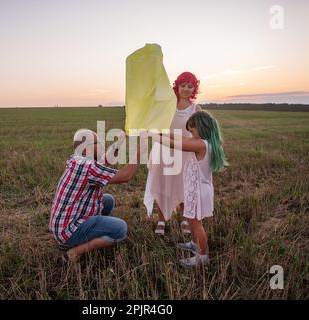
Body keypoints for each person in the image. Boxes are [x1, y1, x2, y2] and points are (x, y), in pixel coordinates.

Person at [49, 129, 143, 262]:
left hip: (62, 224)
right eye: (97, 143)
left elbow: (105, 160)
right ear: (85, 149)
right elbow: (125, 176)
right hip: (68, 232)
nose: (100, 146)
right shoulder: (87, 167)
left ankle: (96, 229)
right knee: (120, 229)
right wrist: (140, 153)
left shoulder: (78, 160)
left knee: (108, 200)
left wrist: (119, 142)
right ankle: (75, 252)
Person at [149, 111, 228, 267]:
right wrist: (163, 132)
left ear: (201, 128)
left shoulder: (201, 145)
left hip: (198, 191)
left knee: (197, 224)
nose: (190, 134)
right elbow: (182, 139)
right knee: (192, 220)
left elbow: (178, 144)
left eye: (192, 131)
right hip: (196, 189)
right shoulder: (204, 142)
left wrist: (152, 136)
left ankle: (202, 256)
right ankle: (194, 243)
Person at [144, 71, 203, 236]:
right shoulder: (168, 105)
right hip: (164, 150)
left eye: (190, 86)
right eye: (182, 85)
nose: (186, 89)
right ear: (176, 87)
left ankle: (185, 219)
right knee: (163, 186)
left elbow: (200, 134)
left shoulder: (196, 108)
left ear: (194, 89)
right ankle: (162, 220)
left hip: (185, 152)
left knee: (185, 186)